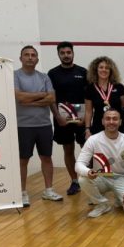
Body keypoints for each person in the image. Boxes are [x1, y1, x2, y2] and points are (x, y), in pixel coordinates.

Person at [14, 45, 62, 207]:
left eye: (33, 55)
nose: (30, 57)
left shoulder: (44, 77)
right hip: (23, 126)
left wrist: (30, 100)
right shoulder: (14, 76)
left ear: (37, 59)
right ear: (21, 58)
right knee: (23, 160)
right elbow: (19, 97)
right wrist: (42, 95)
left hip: (44, 125)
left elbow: (51, 99)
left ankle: (49, 190)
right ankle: (22, 193)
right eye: (26, 54)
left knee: (46, 158)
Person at [75, 109, 124, 218]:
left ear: (120, 122)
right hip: (100, 177)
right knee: (83, 179)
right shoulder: (93, 140)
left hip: (122, 178)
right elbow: (79, 164)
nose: (111, 122)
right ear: (103, 121)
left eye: (115, 119)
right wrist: (87, 171)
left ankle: (119, 197)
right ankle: (102, 204)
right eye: (108, 119)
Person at [48, 41, 88, 196]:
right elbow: (51, 98)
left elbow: (88, 97)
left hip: (81, 118)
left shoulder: (83, 72)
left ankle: (90, 180)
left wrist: (86, 118)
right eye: (62, 53)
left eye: (68, 52)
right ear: (58, 55)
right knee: (68, 149)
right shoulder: (52, 73)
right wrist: (57, 116)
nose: (66, 55)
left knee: (87, 148)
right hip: (62, 119)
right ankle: (75, 181)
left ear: (73, 53)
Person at [84, 56, 124, 137]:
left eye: (107, 68)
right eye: (101, 67)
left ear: (110, 71)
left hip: (118, 126)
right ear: (96, 70)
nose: (104, 70)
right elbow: (88, 111)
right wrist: (87, 129)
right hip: (98, 126)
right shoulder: (90, 89)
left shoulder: (119, 87)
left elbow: (123, 106)